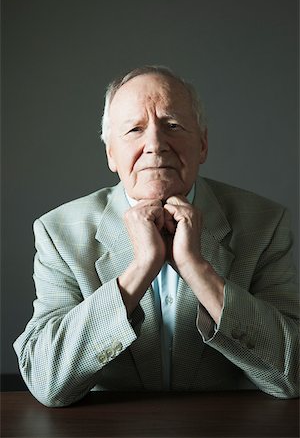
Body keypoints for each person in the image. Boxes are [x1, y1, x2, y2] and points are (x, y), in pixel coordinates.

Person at [14, 66, 299, 407]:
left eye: (173, 126)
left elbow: (292, 375)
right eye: (134, 129)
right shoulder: (59, 232)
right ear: (110, 155)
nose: (155, 145)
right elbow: (47, 382)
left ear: (203, 145)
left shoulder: (265, 224)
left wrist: (197, 268)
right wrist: (140, 269)